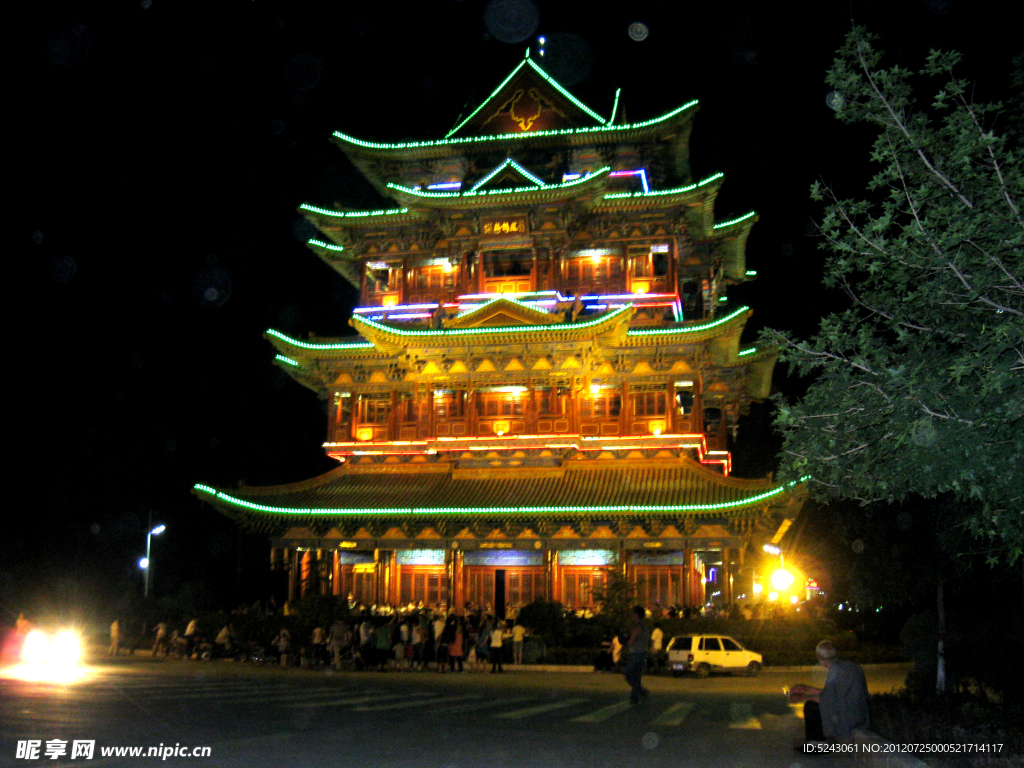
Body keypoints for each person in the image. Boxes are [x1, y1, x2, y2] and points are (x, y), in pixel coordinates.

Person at [789, 640, 870, 742]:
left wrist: (800, 697)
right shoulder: (847, 665)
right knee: (815, 704)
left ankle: (817, 744)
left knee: (811, 706)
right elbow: (833, 693)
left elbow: (828, 699)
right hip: (859, 714)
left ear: (819, 657)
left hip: (849, 717)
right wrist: (805, 689)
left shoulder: (836, 670)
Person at [623, 605, 651, 705]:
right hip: (643, 653)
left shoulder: (636, 627)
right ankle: (634, 699)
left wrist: (625, 640)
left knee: (628, 674)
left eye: (633, 613)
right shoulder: (645, 627)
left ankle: (642, 691)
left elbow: (630, 642)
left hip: (635, 654)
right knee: (637, 677)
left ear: (637, 615)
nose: (632, 615)